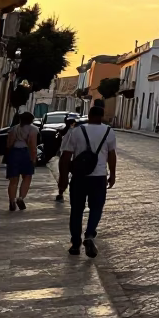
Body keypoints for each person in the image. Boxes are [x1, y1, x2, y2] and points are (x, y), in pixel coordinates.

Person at [58, 105, 116, 257]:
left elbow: (65, 157)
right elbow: (112, 155)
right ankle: (89, 235)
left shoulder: (77, 131)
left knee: (76, 210)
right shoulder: (109, 131)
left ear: (89, 115)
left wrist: (63, 178)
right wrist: (112, 174)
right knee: (96, 208)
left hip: (79, 177)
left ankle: (75, 243)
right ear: (102, 116)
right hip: (99, 177)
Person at [5, 111, 37, 211]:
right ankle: (20, 198)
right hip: (26, 153)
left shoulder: (14, 129)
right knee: (27, 177)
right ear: (31, 120)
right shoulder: (33, 129)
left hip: (14, 153)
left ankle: (12, 201)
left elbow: (9, 144)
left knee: (13, 179)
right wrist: (33, 158)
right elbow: (32, 145)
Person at [55, 117, 77, 202]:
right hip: (72, 154)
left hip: (64, 154)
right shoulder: (73, 132)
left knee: (63, 174)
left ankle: (61, 192)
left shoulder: (64, 131)